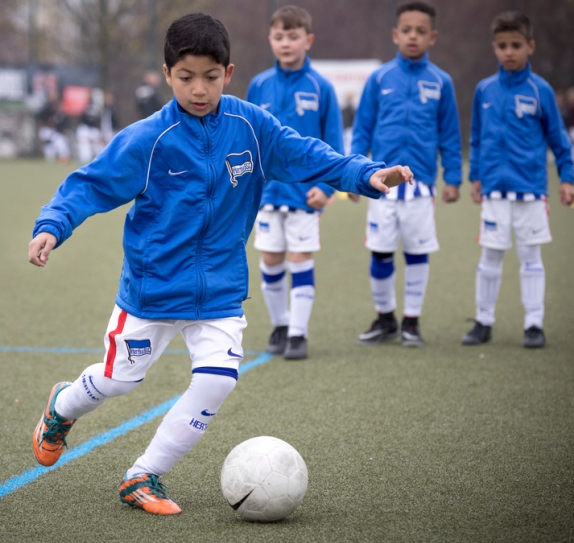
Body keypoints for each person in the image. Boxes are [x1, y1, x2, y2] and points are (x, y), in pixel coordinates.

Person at [27, 12, 413, 516]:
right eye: (186, 77)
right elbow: (90, 185)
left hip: (219, 293)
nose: (199, 88)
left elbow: (308, 155)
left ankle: (143, 475)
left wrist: (365, 174)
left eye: (211, 76)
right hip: (153, 291)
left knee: (217, 379)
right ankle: (62, 407)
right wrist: (52, 226)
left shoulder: (250, 126)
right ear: (167, 75)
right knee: (119, 380)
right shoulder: (148, 138)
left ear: (228, 73)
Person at [350, 1, 462, 348]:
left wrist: (454, 177)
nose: (413, 37)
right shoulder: (380, 78)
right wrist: (354, 173)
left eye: (421, 31)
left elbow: (450, 134)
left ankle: (412, 321)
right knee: (380, 252)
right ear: (396, 35)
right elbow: (362, 129)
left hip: (421, 187)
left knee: (416, 252)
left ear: (433, 37)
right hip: (380, 184)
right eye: (407, 30)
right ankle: (386, 319)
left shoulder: (441, 82)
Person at [462, 11, 574, 348]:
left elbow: (559, 139)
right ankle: (483, 321)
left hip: (530, 191)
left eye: (516, 45)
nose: (508, 52)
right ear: (494, 48)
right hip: (495, 193)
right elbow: (477, 140)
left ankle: (534, 324)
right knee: (490, 258)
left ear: (530, 46)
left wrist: (566, 178)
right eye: (502, 46)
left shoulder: (541, 91)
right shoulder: (484, 90)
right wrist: (476, 176)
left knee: (530, 257)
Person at [246, 5, 345, 359]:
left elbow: (334, 142)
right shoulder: (259, 85)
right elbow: (248, 139)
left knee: (300, 258)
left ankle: (299, 335)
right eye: (278, 37)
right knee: (270, 261)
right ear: (270, 40)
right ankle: (281, 325)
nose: (285, 43)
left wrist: (330, 186)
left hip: (306, 193)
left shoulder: (321, 87)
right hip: (268, 193)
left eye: (293, 36)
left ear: (308, 40)